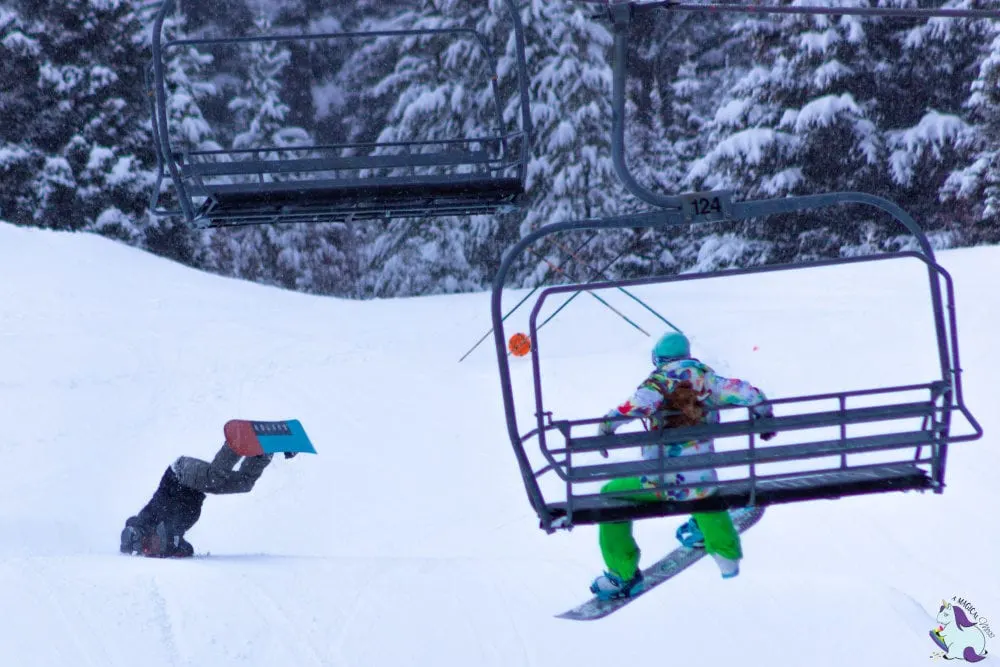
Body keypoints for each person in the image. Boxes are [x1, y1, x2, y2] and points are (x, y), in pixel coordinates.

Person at [589, 331, 776, 600]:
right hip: (703, 481)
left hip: (665, 485)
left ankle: (622, 575)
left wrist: (606, 427)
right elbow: (747, 392)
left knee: (611, 494)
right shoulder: (708, 380)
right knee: (701, 487)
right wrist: (763, 415)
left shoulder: (658, 384)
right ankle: (726, 552)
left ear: (658, 358)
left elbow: (634, 407)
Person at [120, 442, 293, 558]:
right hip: (195, 484)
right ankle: (265, 450)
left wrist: (135, 533)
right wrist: (173, 547)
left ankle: (237, 442)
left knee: (215, 477)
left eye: (147, 546)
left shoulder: (150, 518)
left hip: (180, 474)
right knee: (244, 483)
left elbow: (133, 524)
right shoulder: (175, 533)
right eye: (150, 550)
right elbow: (187, 550)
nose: (151, 547)